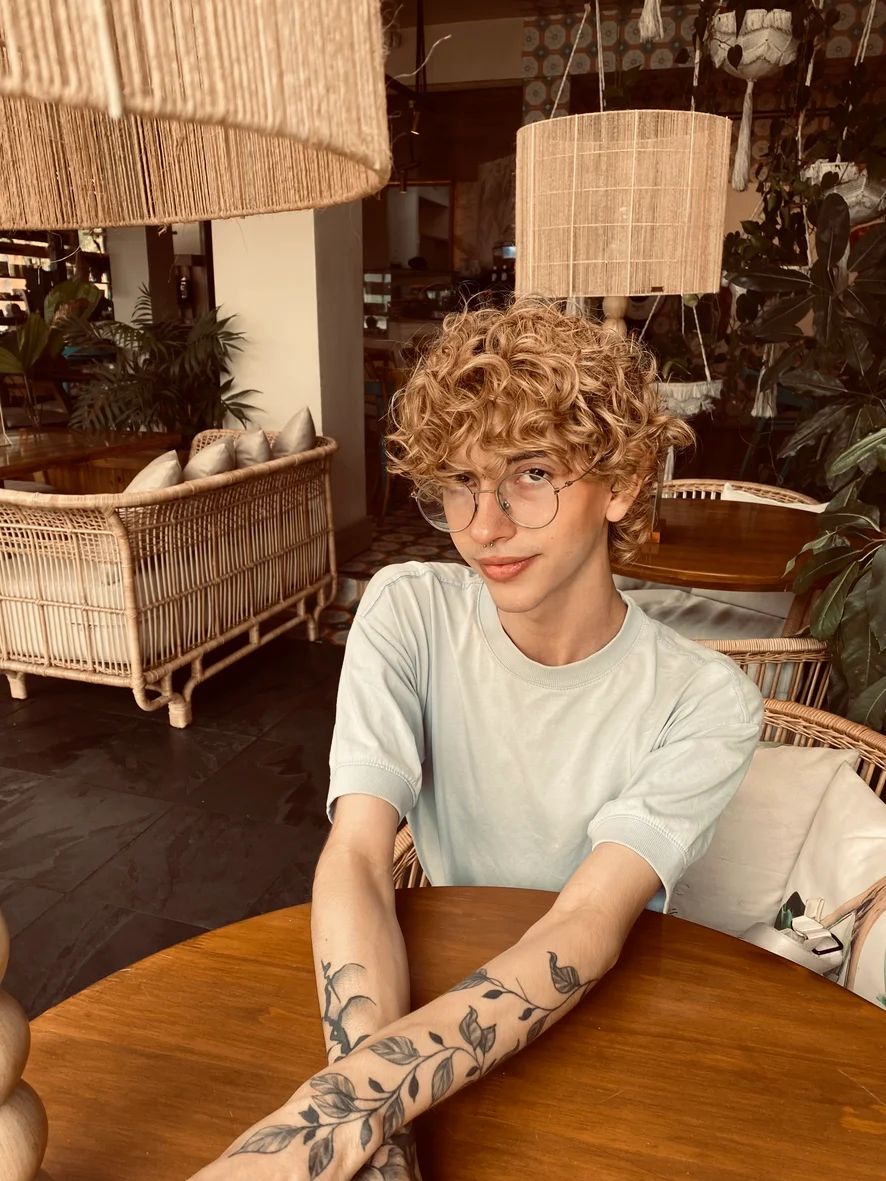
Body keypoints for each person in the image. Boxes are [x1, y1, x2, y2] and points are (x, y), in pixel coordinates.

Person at [192, 299, 763, 1181]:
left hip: (607, 1028)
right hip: (428, 984)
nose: (484, 524)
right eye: (460, 480)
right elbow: (358, 855)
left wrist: (324, 1120)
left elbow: (583, 921)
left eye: (531, 473)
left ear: (620, 482)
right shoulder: (407, 612)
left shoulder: (706, 701)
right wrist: (378, 1141)